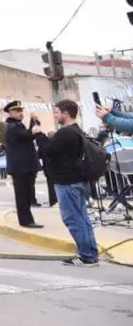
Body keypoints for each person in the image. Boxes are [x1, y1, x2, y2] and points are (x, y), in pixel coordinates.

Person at [33, 99, 99, 267]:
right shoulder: (76, 131)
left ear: (65, 113)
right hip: (76, 180)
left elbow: (48, 151)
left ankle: (86, 255)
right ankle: (90, 253)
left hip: (68, 182)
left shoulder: (66, 132)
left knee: (73, 218)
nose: (55, 115)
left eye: (57, 112)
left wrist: (39, 135)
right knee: (82, 218)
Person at [3, 100, 43, 228]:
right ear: (11, 113)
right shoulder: (13, 126)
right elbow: (28, 136)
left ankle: (27, 219)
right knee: (22, 195)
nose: (21, 113)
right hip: (21, 167)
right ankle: (26, 221)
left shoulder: (17, 125)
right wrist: (34, 128)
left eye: (21, 111)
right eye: (18, 111)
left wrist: (33, 122)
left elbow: (27, 136)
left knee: (26, 194)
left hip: (24, 166)